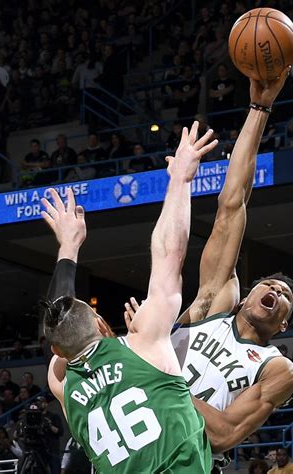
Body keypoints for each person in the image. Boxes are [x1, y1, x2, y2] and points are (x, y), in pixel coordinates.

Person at [52, 73, 293, 469]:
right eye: (269, 285)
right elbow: (231, 205)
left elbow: (224, 435)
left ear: (284, 325)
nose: (276, 291)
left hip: (189, 456)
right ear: (246, 293)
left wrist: (154, 371)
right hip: (136, 442)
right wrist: (259, 108)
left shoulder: (275, 368)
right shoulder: (209, 306)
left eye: (286, 297)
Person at [42, 122, 218, 472]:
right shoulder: (143, 344)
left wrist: (68, 249)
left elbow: (58, 323)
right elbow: (170, 255)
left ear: (58, 351)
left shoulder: (62, 386)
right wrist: (180, 180)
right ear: (103, 323)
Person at [37, 396, 63, 474]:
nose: (39, 404)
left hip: (52, 448)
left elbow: (60, 432)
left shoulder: (53, 416)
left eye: (41, 402)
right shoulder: (36, 418)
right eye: (38, 403)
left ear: (46, 404)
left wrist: (49, 425)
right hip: (40, 448)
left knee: (55, 470)